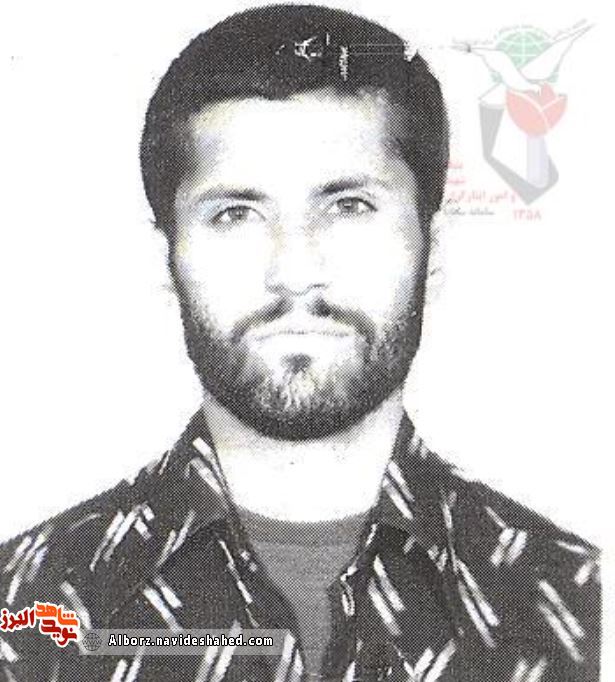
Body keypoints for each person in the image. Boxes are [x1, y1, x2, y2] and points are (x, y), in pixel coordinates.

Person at [0, 5, 600, 681]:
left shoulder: (578, 600)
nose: (293, 270)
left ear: (434, 245)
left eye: (348, 206)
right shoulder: (24, 607)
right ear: (163, 258)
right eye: (235, 214)